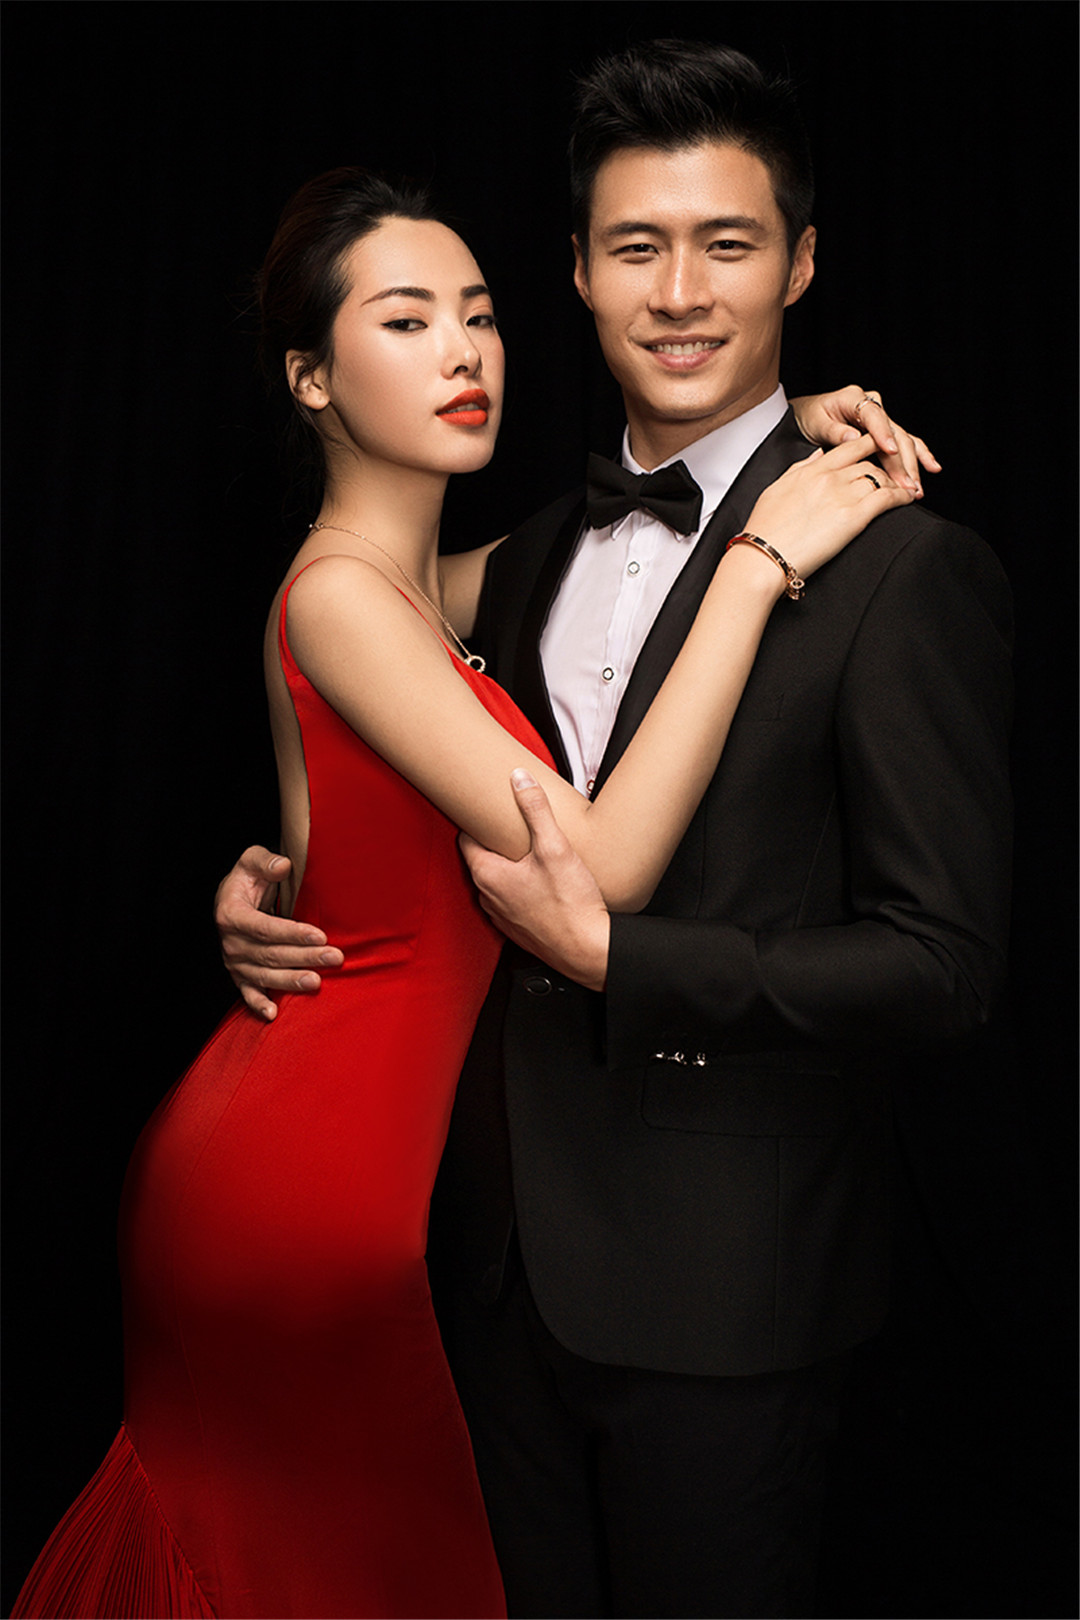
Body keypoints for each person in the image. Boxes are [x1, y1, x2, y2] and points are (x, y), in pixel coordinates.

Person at [11, 153, 911, 1620]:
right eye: (407, 319)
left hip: (364, 1169)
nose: (464, 352)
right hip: (313, 1188)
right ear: (311, 378)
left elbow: (603, 553)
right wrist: (757, 566)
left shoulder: (417, 586)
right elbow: (598, 869)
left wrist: (771, 433)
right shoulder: (340, 596)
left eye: (480, 315)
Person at [217, 42, 1013, 1620]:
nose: (681, 294)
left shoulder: (902, 567)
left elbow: (945, 967)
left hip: (728, 1300)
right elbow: (357, 685)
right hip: (474, 1259)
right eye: (637, 248)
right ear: (579, 271)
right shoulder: (520, 559)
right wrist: (273, 878)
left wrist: (630, 962)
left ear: (801, 262)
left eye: (729, 245)